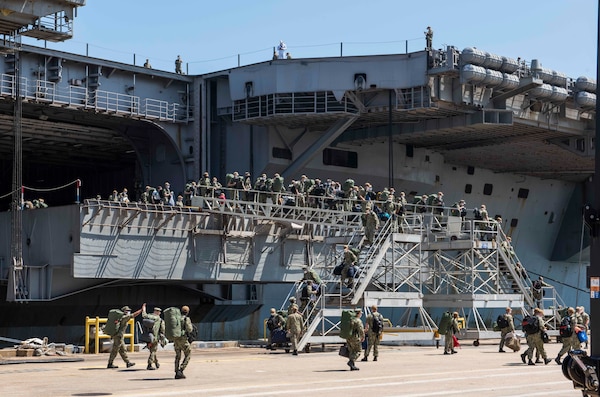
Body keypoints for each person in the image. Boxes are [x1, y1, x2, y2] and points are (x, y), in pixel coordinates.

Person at [107, 304, 143, 369]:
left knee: (123, 350)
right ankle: (110, 363)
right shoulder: (124, 317)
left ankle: (128, 362)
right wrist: (141, 310)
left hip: (119, 336)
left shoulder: (121, 317)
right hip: (118, 337)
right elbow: (134, 315)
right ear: (124, 311)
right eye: (127, 310)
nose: (129, 311)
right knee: (115, 350)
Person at [141, 304, 165, 370]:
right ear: (157, 312)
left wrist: (143, 308)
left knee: (152, 350)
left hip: (148, 337)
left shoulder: (149, 316)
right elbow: (162, 329)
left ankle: (156, 363)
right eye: (159, 312)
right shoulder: (159, 319)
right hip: (154, 337)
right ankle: (149, 364)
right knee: (153, 351)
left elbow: (143, 315)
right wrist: (162, 337)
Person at [174, 305, 193, 379]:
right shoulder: (186, 319)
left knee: (177, 356)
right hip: (183, 339)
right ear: (187, 312)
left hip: (176, 339)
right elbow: (189, 329)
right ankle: (181, 370)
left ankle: (176, 371)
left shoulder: (176, 318)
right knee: (188, 354)